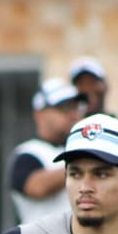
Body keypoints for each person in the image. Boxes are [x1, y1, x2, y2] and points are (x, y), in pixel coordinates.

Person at [8, 77, 86, 224]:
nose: (73, 115)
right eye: (64, 108)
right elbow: (37, 187)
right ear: (39, 114)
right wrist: (84, 164)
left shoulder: (76, 149)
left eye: (75, 107)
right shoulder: (28, 152)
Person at [68, 56, 118, 167]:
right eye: (81, 84)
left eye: (93, 82)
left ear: (105, 86)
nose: (87, 88)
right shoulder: (70, 133)